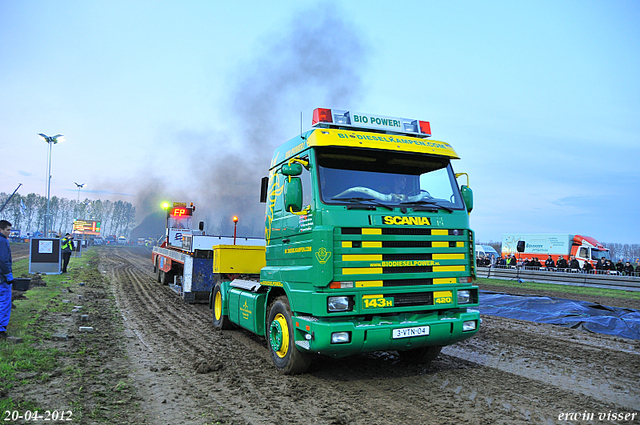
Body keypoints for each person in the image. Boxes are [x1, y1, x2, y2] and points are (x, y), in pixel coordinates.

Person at [0, 220, 14, 339]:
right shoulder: (3, 241)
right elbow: (4, 260)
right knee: (4, 302)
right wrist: (8, 275)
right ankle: (1, 329)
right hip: (2, 278)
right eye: (7, 230)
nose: (9, 232)